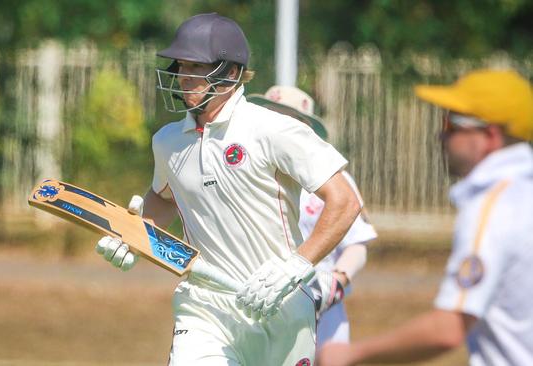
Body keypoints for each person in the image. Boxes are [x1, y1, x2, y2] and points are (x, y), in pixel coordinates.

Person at [94, 13, 362, 365]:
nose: (182, 76)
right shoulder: (168, 141)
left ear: (230, 73)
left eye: (196, 66)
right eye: (180, 65)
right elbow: (163, 198)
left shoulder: (273, 129)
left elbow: (344, 202)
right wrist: (133, 234)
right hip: (204, 306)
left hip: (280, 302)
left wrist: (297, 265)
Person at [318, 69, 533, 366]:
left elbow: (448, 328)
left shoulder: (493, 207)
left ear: (490, 136)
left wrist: (349, 354)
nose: (441, 134)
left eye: (451, 123)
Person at [248, 85, 378, 347]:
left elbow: (357, 243)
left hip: (322, 302)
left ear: (304, 128)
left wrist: (337, 282)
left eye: (286, 118)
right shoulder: (245, 174)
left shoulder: (335, 183)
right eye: (270, 115)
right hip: (256, 300)